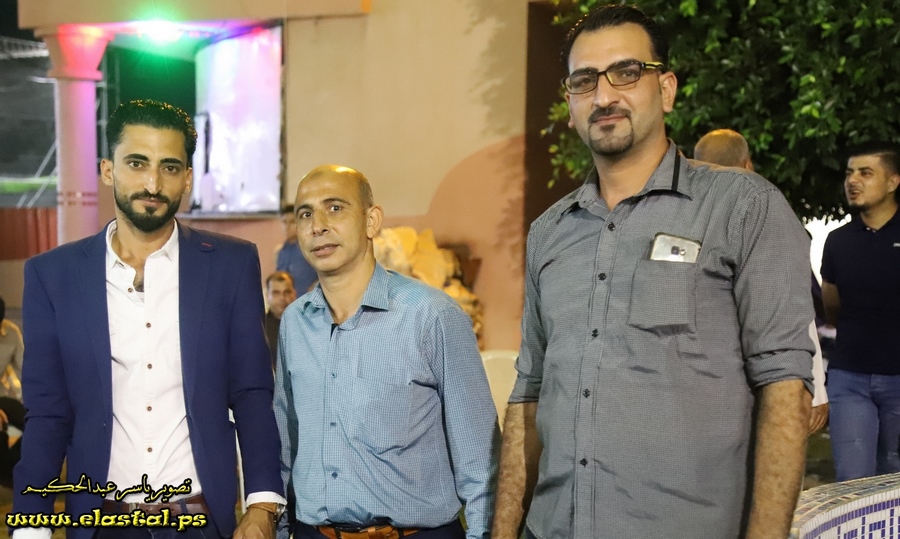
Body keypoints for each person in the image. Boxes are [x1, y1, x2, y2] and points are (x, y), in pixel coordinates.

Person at [492, 6, 815, 539]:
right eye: (584, 80)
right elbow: (529, 393)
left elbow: (784, 385)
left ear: (665, 90)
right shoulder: (549, 233)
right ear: (570, 105)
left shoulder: (741, 207)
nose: (604, 96)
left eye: (626, 72)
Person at [12, 99, 284, 539]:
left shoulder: (230, 265)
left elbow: (251, 392)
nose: (153, 183)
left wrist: (263, 504)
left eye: (169, 167)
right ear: (108, 170)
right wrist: (31, 527)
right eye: (137, 163)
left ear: (187, 178)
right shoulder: (53, 276)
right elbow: (47, 414)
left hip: (199, 521)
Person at [274, 165, 499, 539]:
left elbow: (482, 461)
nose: (318, 226)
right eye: (305, 214)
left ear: (371, 221)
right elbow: (285, 442)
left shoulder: (432, 316)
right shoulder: (295, 323)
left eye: (335, 208)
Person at [693, 128, 830, 434]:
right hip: (761, 384)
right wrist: (817, 390)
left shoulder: (683, 221)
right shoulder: (763, 215)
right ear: (748, 165)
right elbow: (793, 313)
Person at [821, 141, 900, 481]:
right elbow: (832, 307)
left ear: (893, 182)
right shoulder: (838, 241)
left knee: (894, 480)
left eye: (866, 173)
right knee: (852, 483)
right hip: (849, 377)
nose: (853, 180)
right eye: (850, 173)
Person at [0, 294, 25, 487]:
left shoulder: (11, 333)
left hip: (4, 397)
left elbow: (25, 370)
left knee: (31, 421)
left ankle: (15, 474)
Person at [275, 205, 317, 294]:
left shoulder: (310, 248)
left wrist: (316, 286)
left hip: (307, 300)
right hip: (287, 300)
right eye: (284, 222)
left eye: (292, 222)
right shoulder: (280, 252)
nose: (287, 226)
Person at [264, 271, 296, 368]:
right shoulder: (259, 328)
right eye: (276, 293)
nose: (282, 298)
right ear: (267, 296)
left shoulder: (306, 325)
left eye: (287, 292)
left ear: (294, 294)